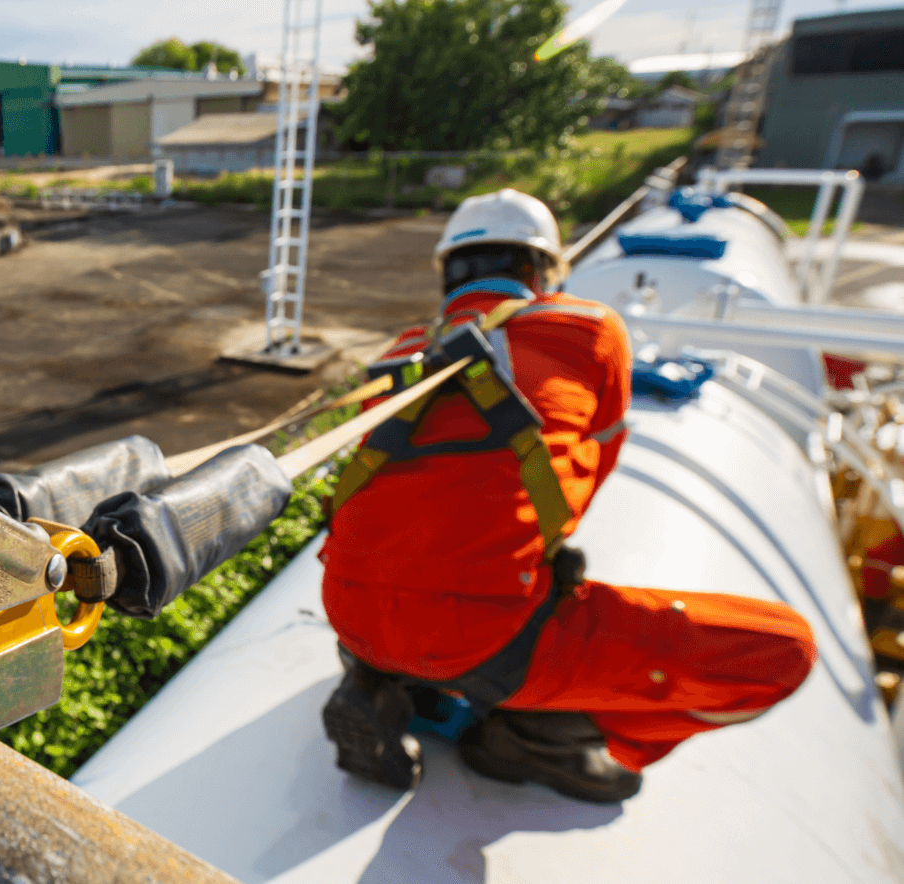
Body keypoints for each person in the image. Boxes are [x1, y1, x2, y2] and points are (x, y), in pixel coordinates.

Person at [318, 188, 816, 803]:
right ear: (542, 271)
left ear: (448, 272)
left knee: (428, 585)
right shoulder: (589, 328)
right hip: (489, 639)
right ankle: (531, 737)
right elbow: (582, 481)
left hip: (350, 614)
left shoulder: (399, 358)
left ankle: (381, 679)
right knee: (784, 649)